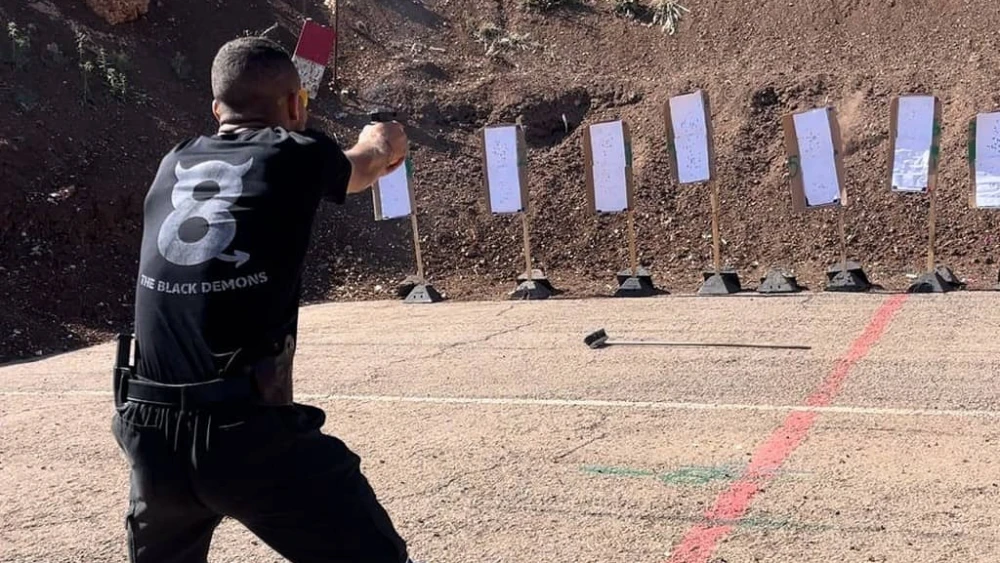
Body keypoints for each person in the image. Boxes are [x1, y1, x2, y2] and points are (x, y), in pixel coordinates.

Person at [111, 35, 412, 563]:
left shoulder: (173, 161)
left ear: (216, 109)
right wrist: (383, 138)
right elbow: (367, 163)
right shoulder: (296, 153)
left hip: (146, 427)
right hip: (241, 431)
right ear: (295, 106)